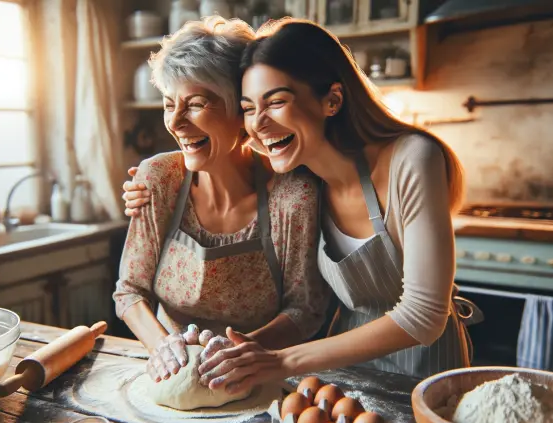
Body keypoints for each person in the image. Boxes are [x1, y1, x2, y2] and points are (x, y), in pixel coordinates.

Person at [122, 18, 472, 393]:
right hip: (343, 365)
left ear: (333, 100)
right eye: (249, 108)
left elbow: (423, 314)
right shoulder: (297, 173)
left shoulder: (407, 160)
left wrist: (278, 359)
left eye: (276, 102)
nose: (259, 123)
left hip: (427, 366)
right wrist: (146, 185)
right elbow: (238, 147)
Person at [114, 17, 330, 384]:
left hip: (258, 376)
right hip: (171, 371)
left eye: (196, 104)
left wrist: (237, 353)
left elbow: (305, 310)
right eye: (169, 105)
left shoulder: (293, 195)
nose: (177, 123)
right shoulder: (157, 180)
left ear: (240, 111)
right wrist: (165, 347)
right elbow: (129, 292)